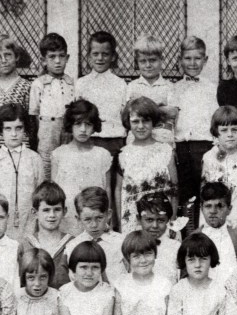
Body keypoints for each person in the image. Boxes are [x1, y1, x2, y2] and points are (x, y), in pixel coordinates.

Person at [169, 36, 216, 225]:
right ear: (180, 60)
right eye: (187, 58)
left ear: (205, 60)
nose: (192, 63)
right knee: (185, 195)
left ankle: (204, 232)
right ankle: (185, 235)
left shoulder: (212, 89)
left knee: (204, 192)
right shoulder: (174, 89)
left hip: (203, 147)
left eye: (197, 58)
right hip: (181, 148)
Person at [0, 103, 43, 239]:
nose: (14, 134)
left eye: (18, 128)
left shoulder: (35, 159)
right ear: (0, 130)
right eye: (8, 129)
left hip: (29, 223)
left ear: (25, 128)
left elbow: (41, 198)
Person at [115, 96, 177, 233]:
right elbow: (119, 190)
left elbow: (174, 188)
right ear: (128, 123)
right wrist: (121, 222)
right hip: (132, 219)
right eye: (135, 121)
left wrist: (172, 221)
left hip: (159, 220)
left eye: (146, 121)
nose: (141, 126)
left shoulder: (166, 151)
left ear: (153, 121)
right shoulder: (123, 154)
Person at [50, 100, 111, 237]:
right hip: (67, 221)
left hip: (94, 221)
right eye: (78, 124)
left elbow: (107, 192)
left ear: (94, 126)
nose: (83, 129)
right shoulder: (59, 154)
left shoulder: (102, 155)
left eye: (88, 124)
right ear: (70, 125)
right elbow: (55, 194)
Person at [74, 31, 128, 171]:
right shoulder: (81, 84)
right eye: (95, 54)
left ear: (113, 57)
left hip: (114, 141)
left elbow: (124, 115)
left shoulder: (121, 84)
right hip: (89, 140)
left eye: (105, 54)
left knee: (112, 184)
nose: (100, 58)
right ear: (88, 56)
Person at [200, 105, 237, 231]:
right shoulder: (209, 157)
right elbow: (204, 193)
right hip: (214, 220)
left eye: (234, 130)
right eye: (224, 130)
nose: (230, 134)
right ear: (216, 133)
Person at [29, 32, 74, 179]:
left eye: (61, 56)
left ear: (67, 58)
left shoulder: (72, 83)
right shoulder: (38, 84)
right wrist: (42, 134)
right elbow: (34, 113)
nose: (57, 61)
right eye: (52, 57)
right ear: (43, 60)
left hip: (67, 129)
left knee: (66, 163)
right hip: (47, 130)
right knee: (47, 165)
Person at [64, 186, 126, 285]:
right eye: (87, 219)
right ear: (78, 219)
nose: (94, 225)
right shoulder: (73, 246)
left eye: (99, 218)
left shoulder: (122, 242)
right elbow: (74, 280)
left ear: (108, 214)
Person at [0, 35, 31, 158]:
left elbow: (31, 122)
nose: (3, 60)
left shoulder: (26, 86)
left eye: (8, 55)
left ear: (17, 57)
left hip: (19, 147)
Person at [17, 181, 72, 289]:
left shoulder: (72, 243)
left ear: (64, 211)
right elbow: (20, 284)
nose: (52, 215)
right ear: (35, 212)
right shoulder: (25, 245)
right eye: (46, 210)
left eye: (57, 209)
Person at [126, 35, 174, 143]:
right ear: (137, 62)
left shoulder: (169, 87)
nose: (148, 65)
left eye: (152, 60)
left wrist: (142, 106)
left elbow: (172, 113)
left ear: (161, 60)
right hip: (136, 139)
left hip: (162, 139)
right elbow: (128, 114)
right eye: (143, 61)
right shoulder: (132, 86)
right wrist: (160, 107)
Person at [196, 182, 237, 287]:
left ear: (229, 209)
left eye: (219, 206)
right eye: (208, 206)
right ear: (201, 208)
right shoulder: (194, 238)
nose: (213, 211)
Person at [136, 193, 180, 286]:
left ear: (168, 220)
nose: (155, 226)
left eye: (161, 220)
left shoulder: (176, 247)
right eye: (149, 220)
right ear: (139, 219)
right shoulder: (132, 246)